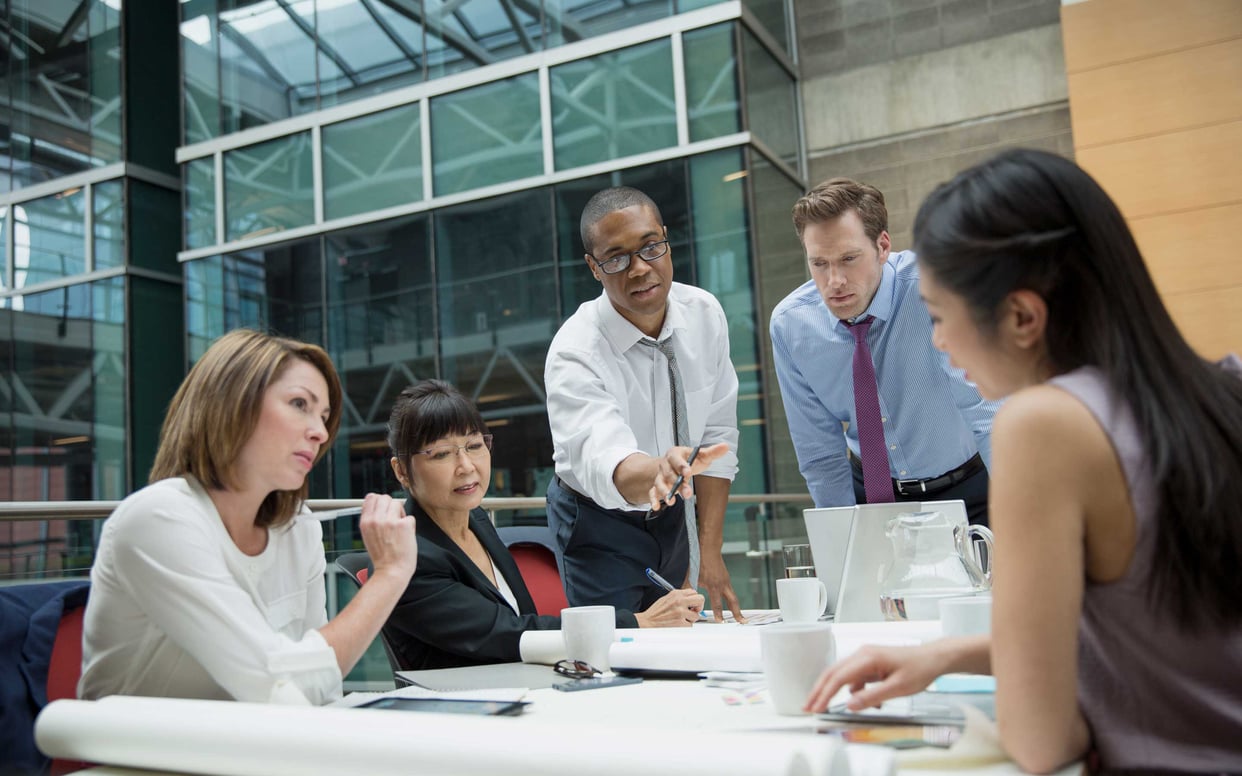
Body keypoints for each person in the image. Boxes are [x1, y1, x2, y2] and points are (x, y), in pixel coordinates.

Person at [804, 149, 1242, 773]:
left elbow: (1041, 742)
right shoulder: (1224, 388)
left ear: (1022, 317)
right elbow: (1174, 634)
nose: (938, 341)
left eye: (938, 315)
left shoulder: (1043, 425)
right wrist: (951, 655)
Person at [78, 329, 419, 705]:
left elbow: (319, 691)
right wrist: (388, 574)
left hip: (256, 746)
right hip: (143, 756)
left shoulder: (297, 526)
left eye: (323, 416)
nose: (321, 432)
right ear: (231, 404)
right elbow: (273, 686)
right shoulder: (158, 518)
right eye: (299, 404)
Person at [380, 380, 705, 670]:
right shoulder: (409, 555)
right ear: (402, 471)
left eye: (475, 446)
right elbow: (506, 633)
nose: (466, 466)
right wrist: (637, 622)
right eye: (441, 454)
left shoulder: (475, 520)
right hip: (458, 711)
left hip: (521, 685)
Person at [544, 185, 745, 621]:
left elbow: (717, 434)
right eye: (616, 258)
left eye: (650, 247)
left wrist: (707, 550)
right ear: (593, 268)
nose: (639, 269)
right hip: (597, 519)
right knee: (614, 651)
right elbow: (604, 456)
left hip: (670, 509)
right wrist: (659, 471)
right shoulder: (574, 350)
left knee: (680, 637)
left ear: (666, 240)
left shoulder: (704, 314)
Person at [769, 178, 998, 524]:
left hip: (970, 490)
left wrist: (1028, 508)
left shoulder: (934, 288)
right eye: (819, 263)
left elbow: (987, 413)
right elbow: (820, 454)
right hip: (872, 500)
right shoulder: (792, 326)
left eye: (849, 259)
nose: (835, 281)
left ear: (883, 245)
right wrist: (843, 541)